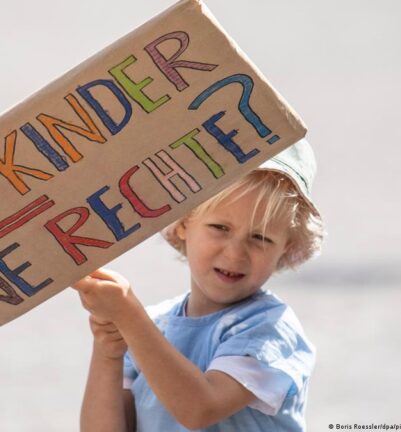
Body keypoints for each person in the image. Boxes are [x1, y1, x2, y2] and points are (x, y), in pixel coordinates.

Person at [72, 139, 325, 431]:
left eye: (261, 238)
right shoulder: (152, 326)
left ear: (286, 248)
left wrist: (127, 314)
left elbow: (200, 409)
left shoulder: (269, 330)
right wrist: (108, 352)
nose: (235, 253)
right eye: (220, 228)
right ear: (184, 222)